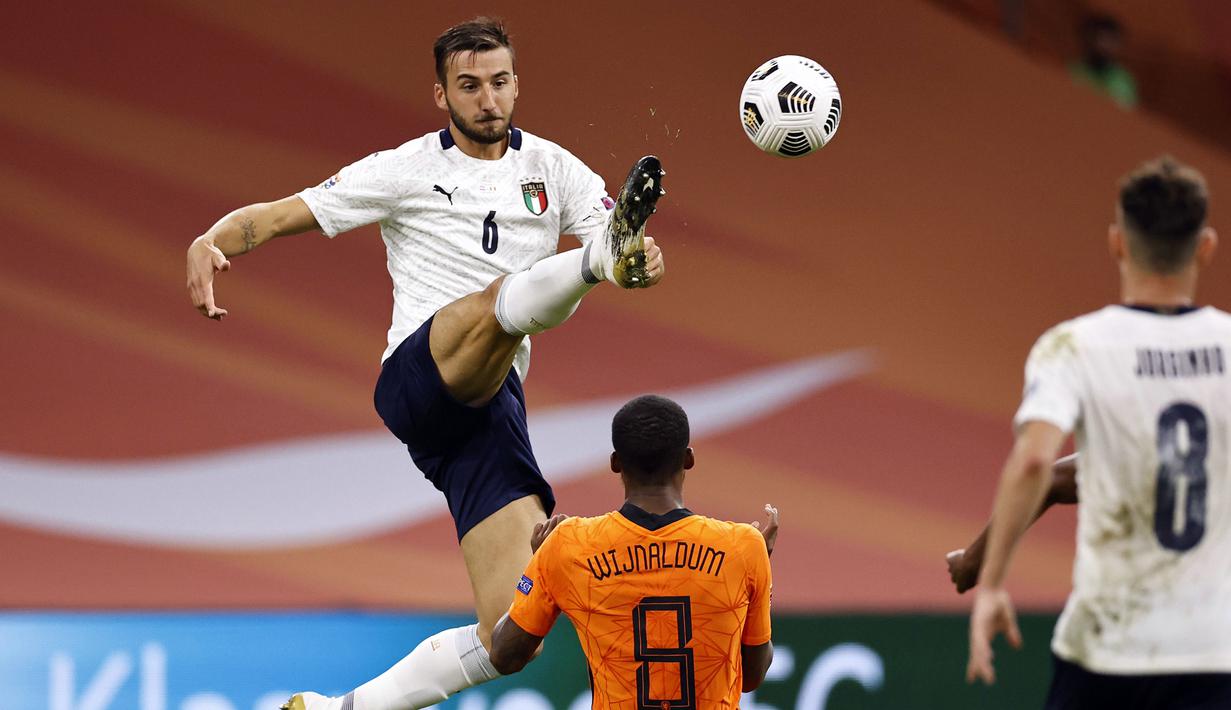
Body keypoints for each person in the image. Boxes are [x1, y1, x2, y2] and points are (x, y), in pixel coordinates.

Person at [185, 17, 667, 710]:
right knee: (499, 300)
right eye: (468, 86)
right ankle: (588, 262)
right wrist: (211, 237)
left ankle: (340, 709)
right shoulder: (403, 169)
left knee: (513, 632)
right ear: (441, 94)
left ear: (515, 83)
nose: (487, 100)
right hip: (419, 375)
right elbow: (284, 213)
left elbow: (634, 260)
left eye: (499, 83)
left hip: (488, 411)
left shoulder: (555, 169)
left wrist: (638, 262)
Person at [965, 156, 1231, 708]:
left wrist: (990, 582)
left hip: (1107, 648)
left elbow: (1036, 463)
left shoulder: (1073, 347)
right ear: (1206, 246)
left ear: (1117, 242)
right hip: (1213, 649)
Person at [488, 394, 778, 707]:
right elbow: (752, 675)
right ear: (688, 458)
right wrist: (758, 575)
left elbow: (505, 656)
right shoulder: (744, 548)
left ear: (615, 462)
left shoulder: (567, 546)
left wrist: (541, 565)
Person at [1069, 13, 1138, 110]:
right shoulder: (1073, 71)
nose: (1105, 47)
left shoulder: (1124, 81)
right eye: (1101, 39)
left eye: (1111, 42)